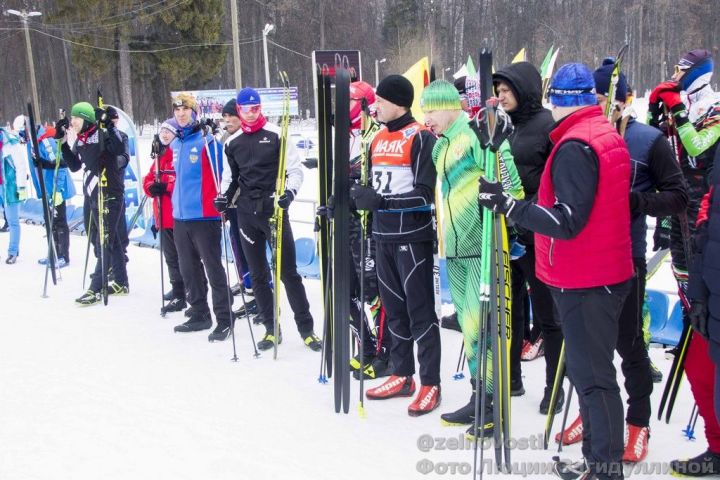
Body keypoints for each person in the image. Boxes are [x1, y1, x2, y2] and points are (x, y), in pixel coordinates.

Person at [478, 63, 633, 480]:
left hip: (586, 277)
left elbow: (566, 219)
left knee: (593, 379)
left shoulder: (576, 144)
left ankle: (604, 469)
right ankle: (599, 461)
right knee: (594, 376)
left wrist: (512, 208)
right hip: (603, 269)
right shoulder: (602, 133)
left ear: (558, 99)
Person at [555, 59, 689, 463]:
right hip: (581, 262)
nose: (599, 106)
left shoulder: (647, 141)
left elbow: (679, 195)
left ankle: (637, 422)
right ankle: (592, 418)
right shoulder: (578, 135)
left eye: (605, 99)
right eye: (592, 98)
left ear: (625, 100)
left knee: (629, 344)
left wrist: (634, 202)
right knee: (584, 352)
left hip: (624, 259)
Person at [420, 79, 524, 433]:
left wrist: (500, 201)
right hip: (456, 249)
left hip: (485, 244)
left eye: (430, 110)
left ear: (450, 105)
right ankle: (479, 396)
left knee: (488, 327)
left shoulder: (479, 132)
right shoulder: (439, 148)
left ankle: (495, 403)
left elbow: (511, 182)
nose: (426, 118)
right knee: (469, 328)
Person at [349, 74, 441, 416]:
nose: (376, 107)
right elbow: (371, 187)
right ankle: (403, 375)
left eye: (382, 102)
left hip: (412, 239)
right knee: (394, 312)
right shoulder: (375, 139)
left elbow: (424, 196)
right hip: (382, 237)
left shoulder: (421, 138)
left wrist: (383, 203)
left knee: (421, 314)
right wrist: (358, 200)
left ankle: (431, 382)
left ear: (398, 102)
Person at [649, 48, 720, 477]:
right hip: (682, 219)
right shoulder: (685, 106)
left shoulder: (713, 106)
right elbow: (672, 153)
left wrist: (676, 107)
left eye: (681, 70)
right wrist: (663, 119)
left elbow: (698, 144)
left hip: (706, 219)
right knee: (693, 308)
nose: (674, 75)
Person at [221, 87, 321, 352]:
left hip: (273, 210)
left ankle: (307, 329)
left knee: (288, 273)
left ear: (261, 108)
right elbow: (230, 179)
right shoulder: (232, 142)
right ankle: (270, 328)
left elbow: (294, 171)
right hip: (246, 213)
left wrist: (288, 193)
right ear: (239, 111)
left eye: (256, 109)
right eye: (246, 110)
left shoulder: (277, 135)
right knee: (258, 274)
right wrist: (223, 197)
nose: (251, 114)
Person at [492, 61, 563, 412]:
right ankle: (511, 377)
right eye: (498, 91)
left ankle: (554, 386)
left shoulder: (548, 126)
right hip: (505, 232)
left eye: (507, 90)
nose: (501, 97)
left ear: (525, 90)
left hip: (539, 233)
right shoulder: (500, 126)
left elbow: (557, 181)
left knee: (548, 314)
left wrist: (526, 210)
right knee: (510, 308)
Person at [167, 94, 233, 342]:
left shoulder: (207, 142)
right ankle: (199, 312)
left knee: (213, 268)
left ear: (194, 112)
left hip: (204, 217)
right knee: (188, 268)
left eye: (185, 109)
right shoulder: (177, 143)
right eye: (177, 110)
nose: (181, 114)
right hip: (180, 216)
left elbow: (223, 175)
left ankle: (225, 317)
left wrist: (223, 204)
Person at [58, 102, 129, 304]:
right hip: (93, 194)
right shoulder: (81, 139)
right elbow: (74, 165)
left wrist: (108, 126)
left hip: (110, 194)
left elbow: (118, 150)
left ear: (87, 119)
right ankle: (122, 282)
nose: (73, 122)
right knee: (110, 238)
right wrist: (63, 144)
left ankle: (96, 288)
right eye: (72, 118)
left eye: (76, 118)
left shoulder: (101, 134)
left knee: (104, 240)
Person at [346, 80, 391, 380]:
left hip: (372, 227)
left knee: (375, 292)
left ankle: (384, 354)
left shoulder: (377, 135)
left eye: (350, 101)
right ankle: (367, 344)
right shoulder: (345, 136)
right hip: (350, 225)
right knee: (352, 291)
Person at [219, 99, 260, 323]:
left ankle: (258, 291)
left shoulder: (246, 138)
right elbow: (225, 175)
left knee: (250, 251)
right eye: (225, 117)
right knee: (237, 247)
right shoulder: (226, 139)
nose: (228, 121)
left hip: (247, 205)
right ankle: (247, 282)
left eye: (231, 116)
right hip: (232, 203)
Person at [142, 119, 186, 314]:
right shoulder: (159, 157)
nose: (166, 135)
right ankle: (177, 288)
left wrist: (166, 187)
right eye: (163, 132)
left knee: (181, 257)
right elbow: (148, 180)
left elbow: (182, 182)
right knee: (170, 256)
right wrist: (153, 188)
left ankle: (186, 291)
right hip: (162, 216)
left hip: (176, 215)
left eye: (169, 131)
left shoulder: (178, 154)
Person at [36, 125, 76, 268]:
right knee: (50, 221)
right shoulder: (34, 142)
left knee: (59, 221)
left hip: (57, 188)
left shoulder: (46, 141)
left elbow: (61, 166)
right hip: (47, 188)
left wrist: (57, 190)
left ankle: (63, 256)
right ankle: (54, 252)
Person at [0, 117, 29, 264]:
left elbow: (21, 165)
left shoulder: (9, 142)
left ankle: (13, 251)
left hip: (9, 188)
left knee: (12, 220)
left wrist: (21, 187)